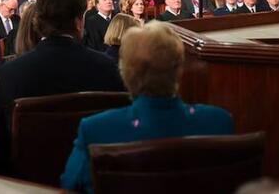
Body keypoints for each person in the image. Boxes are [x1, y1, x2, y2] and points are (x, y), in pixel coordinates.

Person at [60, 21, 234, 194]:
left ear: (125, 72)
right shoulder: (219, 122)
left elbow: (68, 185)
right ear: (179, 70)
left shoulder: (96, 130)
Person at [0, 0, 125, 174]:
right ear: (78, 23)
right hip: (95, 173)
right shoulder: (107, 66)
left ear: (39, 23)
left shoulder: (11, 72)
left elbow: (0, 140)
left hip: (30, 176)